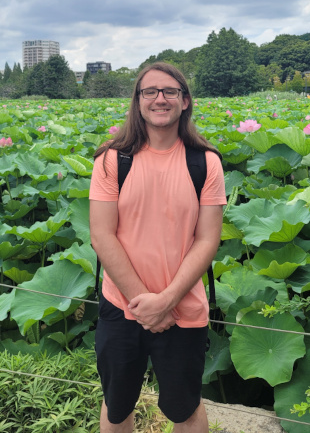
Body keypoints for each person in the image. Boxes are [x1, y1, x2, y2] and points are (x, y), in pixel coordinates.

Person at [89, 62, 227, 433]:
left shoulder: (206, 162)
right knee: (117, 406)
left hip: (183, 309)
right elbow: (102, 236)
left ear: (185, 101)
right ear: (138, 101)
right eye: (150, 91)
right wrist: (145, 304)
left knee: (185, 409)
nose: (159, 99)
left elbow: (207, 239)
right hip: (121, 307)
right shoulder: (111, 159)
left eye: (169, 91)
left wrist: (166, 301)